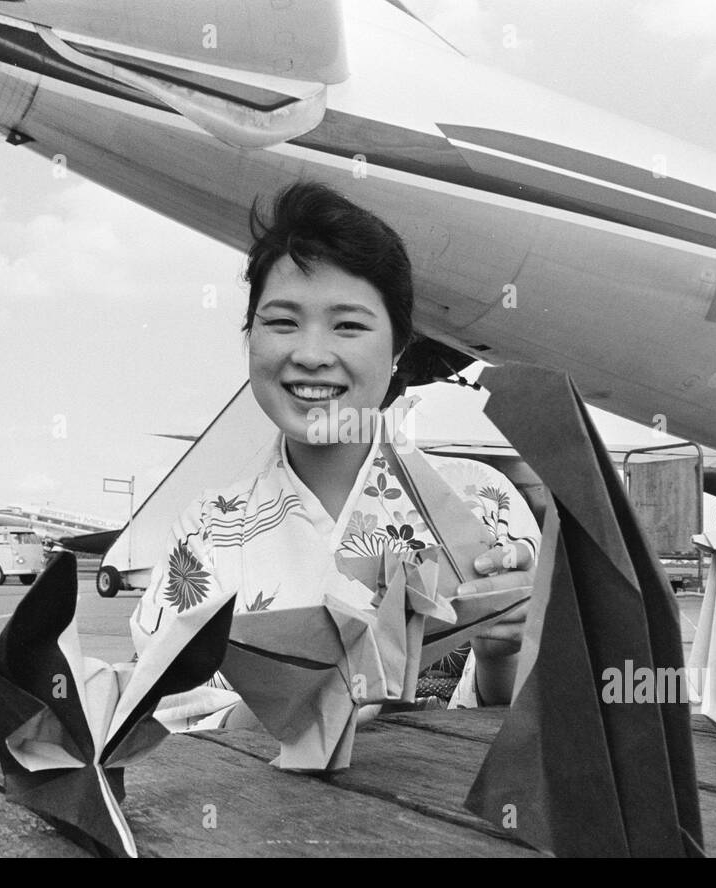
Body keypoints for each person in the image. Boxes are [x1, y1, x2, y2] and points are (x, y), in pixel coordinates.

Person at [131, 181, 539, 732]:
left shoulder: (484, 505)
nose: (312, 355)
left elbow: (533, 721)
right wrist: (303, 703)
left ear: (398, 349)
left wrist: (502, 653)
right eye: (282, 322)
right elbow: (156, 717)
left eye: (348, 325)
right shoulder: (203, 532)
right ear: (249, 336)